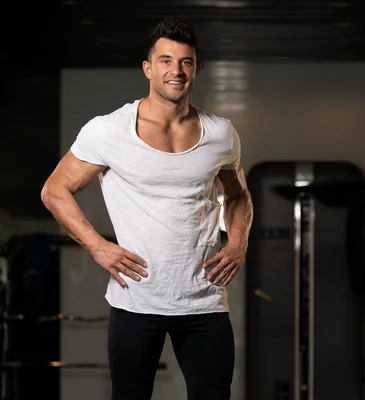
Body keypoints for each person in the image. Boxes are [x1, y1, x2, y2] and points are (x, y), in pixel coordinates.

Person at [40, 16, 253, 400]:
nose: (176, 70)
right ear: (148, 68)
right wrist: (98, 247)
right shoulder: (109, 131)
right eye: (166, 60)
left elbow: (237, 195)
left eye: (186, 62)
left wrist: (237, 243)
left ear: (197, 70)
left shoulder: (220, 133)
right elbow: (55, 190)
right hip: (137, 299)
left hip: (204, 300)